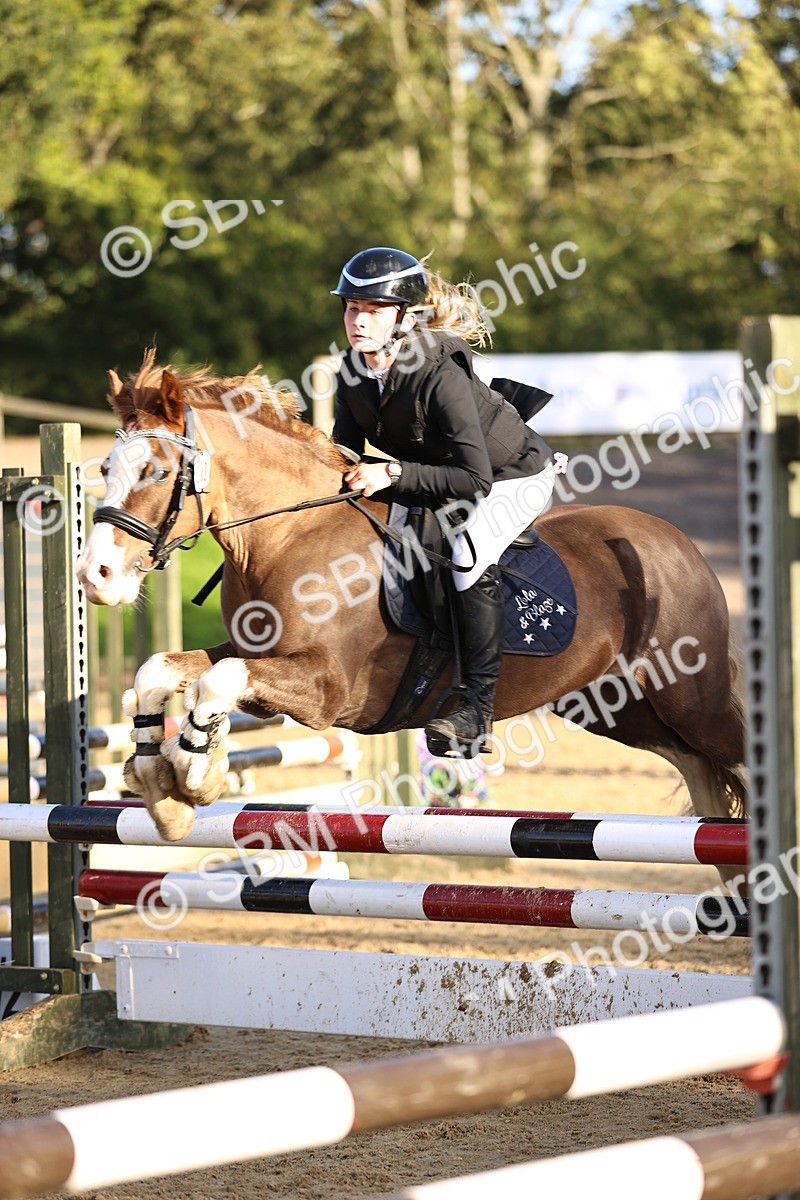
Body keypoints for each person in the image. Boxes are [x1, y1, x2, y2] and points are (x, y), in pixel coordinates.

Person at [331, 245, 559, 757]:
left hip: (511, 475)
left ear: (404, 317)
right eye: (351, 308)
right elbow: (343, 450)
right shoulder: (351, 371)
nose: (358, 321)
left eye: (372, 310)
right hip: (437, 473)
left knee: (465, 556)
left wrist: (389, 471)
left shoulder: (440, 374)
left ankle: (476, 709)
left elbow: (472, 477)